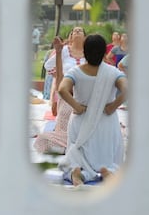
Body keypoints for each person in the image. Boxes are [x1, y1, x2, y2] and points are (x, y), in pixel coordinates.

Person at [58, 34, 126, 186]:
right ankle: (107, 170)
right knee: (108, 154)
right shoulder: (113, 72)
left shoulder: (75, 72)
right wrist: (113, 106)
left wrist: (76, 106)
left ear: (84, 52)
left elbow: (62, 90)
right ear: (104, 53)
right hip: (106, 121)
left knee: (79, 150)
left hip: (81, 120)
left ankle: (77, 171)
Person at [34, 26, 86, 154]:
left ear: (85, 37)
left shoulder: (90, 52)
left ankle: (76, 146)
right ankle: (72, 147)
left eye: (81, 31)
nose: (77, 32)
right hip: (66, 95)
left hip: (85, 97)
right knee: (41, 140)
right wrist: (58, 52)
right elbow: (49, 67)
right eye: (74, 30)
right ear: (71, 37)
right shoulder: (64, 51)